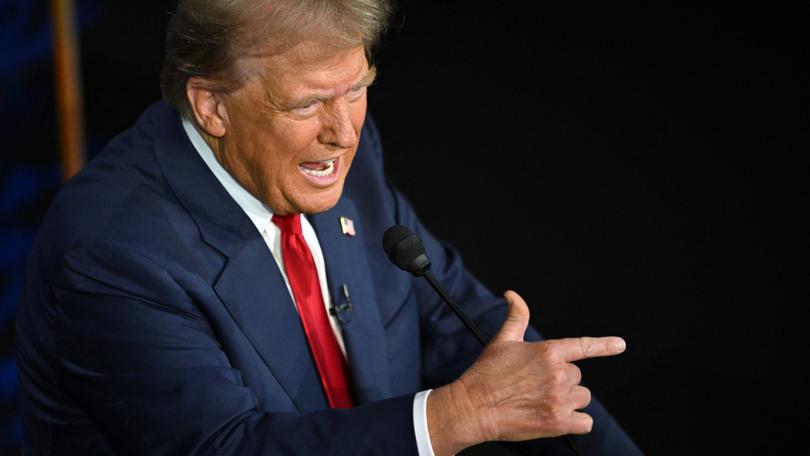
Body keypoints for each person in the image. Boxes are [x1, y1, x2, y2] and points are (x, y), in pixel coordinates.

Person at [16, 0, 642, 454]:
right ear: (213, 105)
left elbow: (458, 320)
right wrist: (458, 415)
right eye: (308, 103)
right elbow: (227, 448)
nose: (342, 132)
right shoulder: (112, 252)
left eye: (357, 89)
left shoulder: (340, 154)